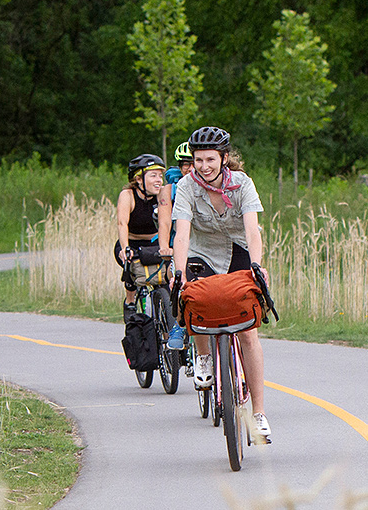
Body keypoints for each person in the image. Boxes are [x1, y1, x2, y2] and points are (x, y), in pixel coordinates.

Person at [171, 126, 272, 440]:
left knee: (248, 333)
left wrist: (255, 265)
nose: (204, 166)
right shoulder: (187, 186)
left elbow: (253, 231)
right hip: (202, 252)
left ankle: (258, 415)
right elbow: (183, 233)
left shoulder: (242, 184)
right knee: (195, 303)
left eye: (210, 160)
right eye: (199, 160)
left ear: (224, 158)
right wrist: (179, 273)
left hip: (238, 250)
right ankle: (203, 357)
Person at [115, 154, 166, 323]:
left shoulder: (162, 195)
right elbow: (122, 223)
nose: (159, 180)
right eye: (153, 175)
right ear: (138, 179)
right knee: (130, 265)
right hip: (132, 242)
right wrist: (125, 248)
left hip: (155, 242)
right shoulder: (128, 195)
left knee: (165, 277)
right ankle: (130, 301)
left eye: (160, 175)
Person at [156, 142, 194, 350]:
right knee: (177, 279)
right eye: (184, 164)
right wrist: (164, 247)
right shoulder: (168, 191)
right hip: (177, 243)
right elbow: (164, 222)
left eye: (192, 163)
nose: (189, 168)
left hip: (203, 246)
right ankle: (179, 326)